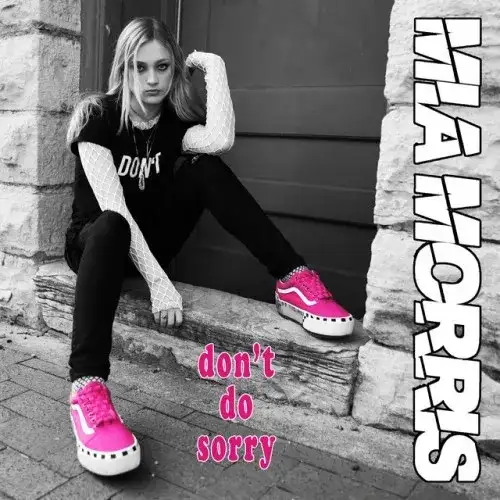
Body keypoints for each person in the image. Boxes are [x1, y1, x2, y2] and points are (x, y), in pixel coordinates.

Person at [63, 16, 354, 477]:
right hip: (98, 248)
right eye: (140, 67)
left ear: (175, 69)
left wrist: (214, 66)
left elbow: (219, 139)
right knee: (113, 223)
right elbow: (114, 210)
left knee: (206, 168)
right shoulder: (97, 117)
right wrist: (160, 283)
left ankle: (292, 279)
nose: (153, 79)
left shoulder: (172, 122)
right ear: (124, 67)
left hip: (150, 242)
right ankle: (87, 389)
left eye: (163, 67)